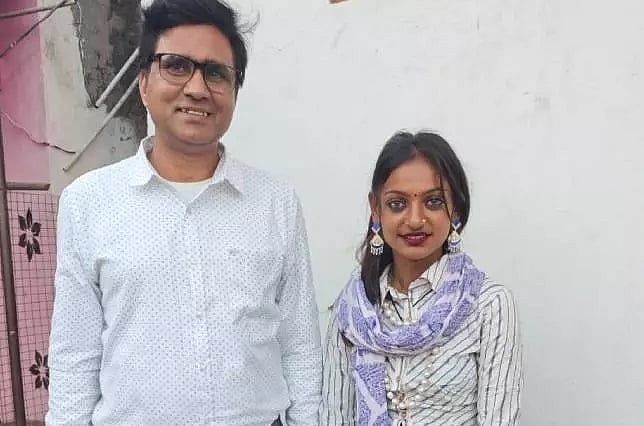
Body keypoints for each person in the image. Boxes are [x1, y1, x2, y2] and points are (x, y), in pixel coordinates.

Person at [46, 1, 321, 425]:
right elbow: (74, 355)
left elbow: (299, 344)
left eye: (216, 73)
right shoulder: (89, 203)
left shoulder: (275, 202)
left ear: (234, 91)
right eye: (176, 66)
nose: (197, 88)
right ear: (143, 83)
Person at [320, 131, 523, 425]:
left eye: (434, 202)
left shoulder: (488, 306)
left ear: (455, 208)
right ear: (376, 210)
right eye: (397, 204)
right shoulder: (354, 313)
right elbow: (333, 418)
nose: (415, 219)